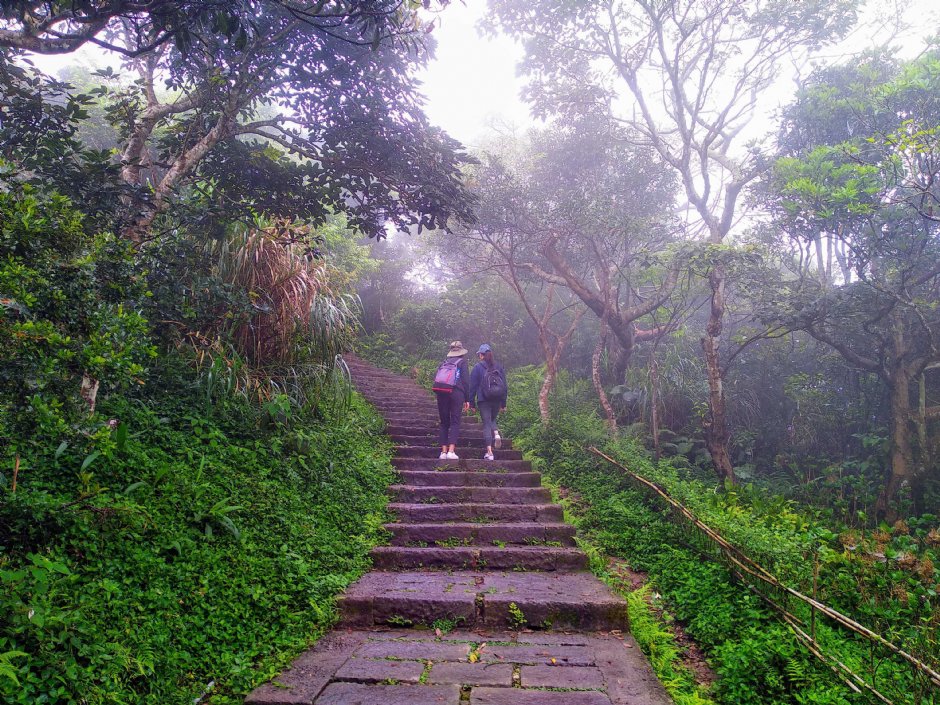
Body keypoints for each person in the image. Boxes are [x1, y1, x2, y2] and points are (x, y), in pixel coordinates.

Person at [468, 343, 507, 461]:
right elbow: (504, 386)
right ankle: (496, 433)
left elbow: (472, 387)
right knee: (492, 420)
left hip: (483, 400)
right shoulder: (499, 367)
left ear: (481, 355)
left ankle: (489, 452)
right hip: (497, 399)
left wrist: (471, 403)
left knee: (486, 423)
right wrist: (503, 403)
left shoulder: (477, 367)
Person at [434, 340, 470, 460]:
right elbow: (465, 381)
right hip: (456, 393)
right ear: (461, 351)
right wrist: (467, 399)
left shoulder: (443, 362)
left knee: (444, 422)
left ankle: (443, 452)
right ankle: (451, 451)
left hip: (442, 392)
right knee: (455, 421)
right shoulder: (462, 362)